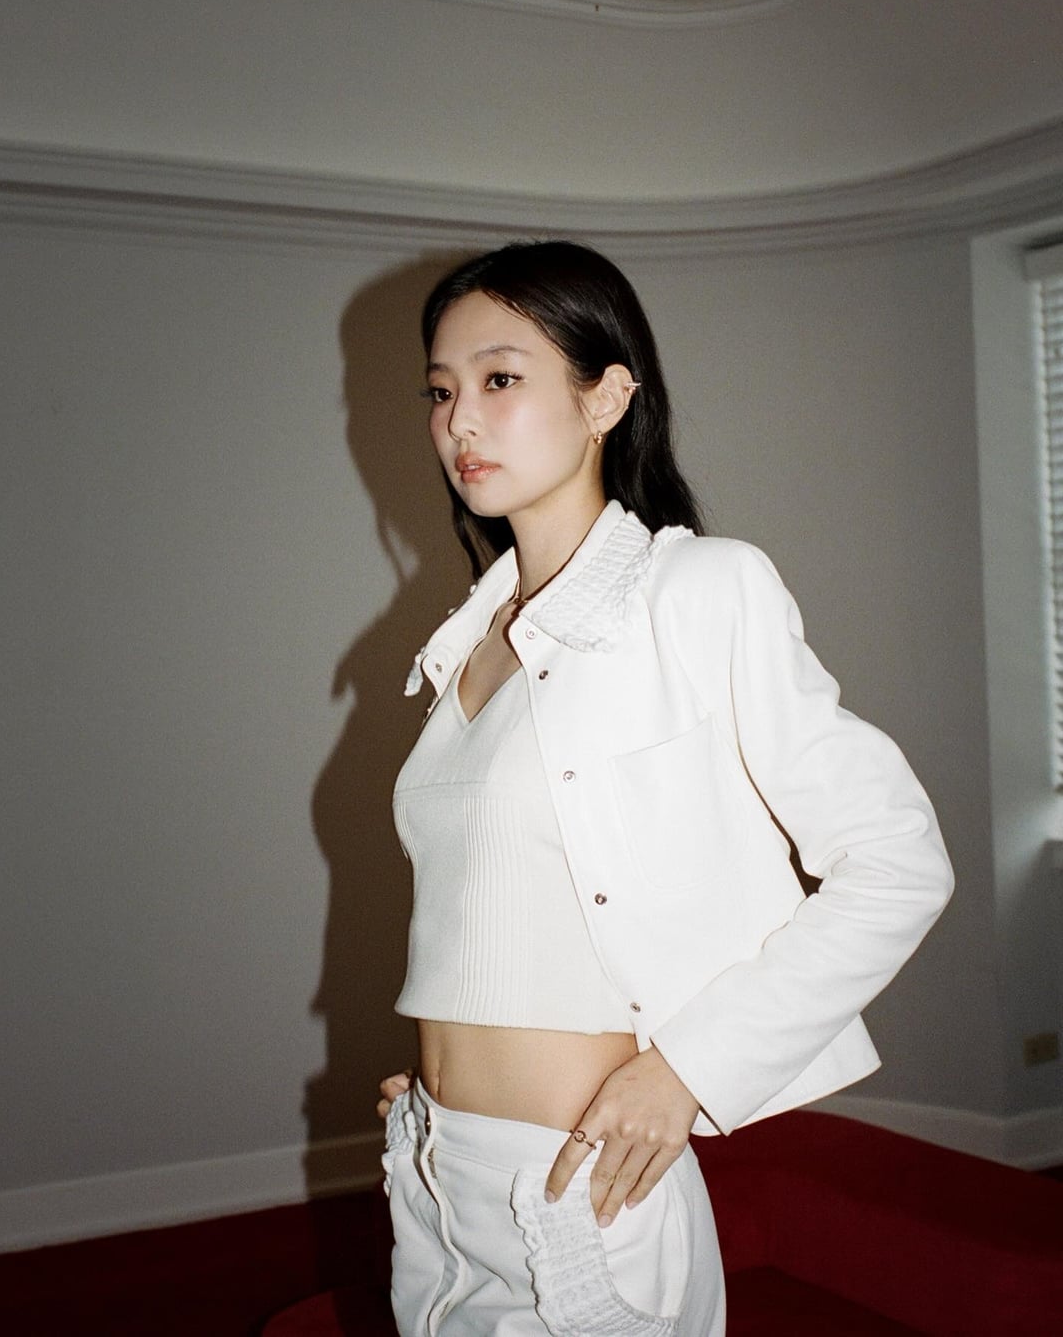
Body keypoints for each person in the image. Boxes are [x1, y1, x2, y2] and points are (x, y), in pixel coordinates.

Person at [377, 240, 953, 1336]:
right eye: (442, 392)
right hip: (438, 1172)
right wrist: (443, 1095)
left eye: (501, 380)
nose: (461, 422)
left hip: (580, 1195)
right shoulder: (470, 643)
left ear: (606, 398)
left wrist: (686, 1071)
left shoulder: (698, 592)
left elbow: (898, 862)